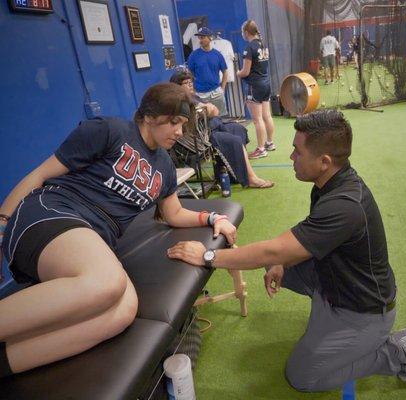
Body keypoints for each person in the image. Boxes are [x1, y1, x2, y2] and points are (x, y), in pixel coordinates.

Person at [167, 110, 406, 392]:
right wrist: (282, 261)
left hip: (363, 309)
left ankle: (395, 353)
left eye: (297, 152)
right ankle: (328, 321)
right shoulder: (329, 183)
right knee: (276, 263)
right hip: (333, 281)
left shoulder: (345, 205)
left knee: (301, 377)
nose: (291, 157)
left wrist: (207, 256)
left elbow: (271, 251)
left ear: (324, 161)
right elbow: (303, 240)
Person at [0, 83, 237, 377]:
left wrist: (213, 217)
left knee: (122, 313)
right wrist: (1, 228)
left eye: (183, 125)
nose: (179, 132)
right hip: (54, 212)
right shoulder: (110, 130)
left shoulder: (163, 165)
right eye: (174, 122)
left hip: (90, 236)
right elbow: (41, 174)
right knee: (108, 282)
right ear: (150, 116)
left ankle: (9, 361)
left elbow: (173, 214)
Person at [170, 67, 274, 189]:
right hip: (201, 137)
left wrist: (207, 108)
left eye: (190, 82)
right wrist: (205, 110)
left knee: (238, 129)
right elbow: (191, 122)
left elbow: (215, 111)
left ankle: (232, 174)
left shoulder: (195, 97)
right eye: (186, 83)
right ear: (177, 86)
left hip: (214, 126)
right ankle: (251, 178)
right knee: (234, 141)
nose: (190, 85)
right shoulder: (179, 102)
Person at [237, 20, 276, 160]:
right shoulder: (263, 45)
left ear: (246, 32)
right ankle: (269, 143)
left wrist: (237, 73)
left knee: (257, 119)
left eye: (243, 32)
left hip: (255, 86)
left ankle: (260, 149)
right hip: (265, 84)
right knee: (267, 116)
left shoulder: (249, 48)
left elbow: (245, 72)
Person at [187, 27, 228, 116]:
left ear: (210, 38)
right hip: (200, 94)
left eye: (202, 37)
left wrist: (222, 88)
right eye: (199, 38)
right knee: (203, 119)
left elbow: (225, 71)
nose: (200, 40)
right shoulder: (193, 55)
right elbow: (189, 73)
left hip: (216, 93)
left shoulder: (217, 55)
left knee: (219, 117)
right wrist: (193, 90)